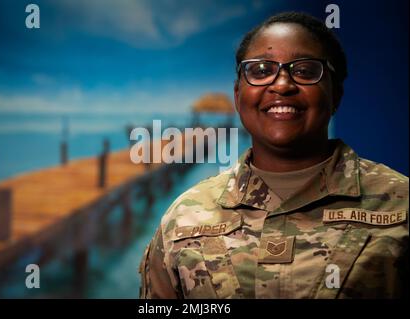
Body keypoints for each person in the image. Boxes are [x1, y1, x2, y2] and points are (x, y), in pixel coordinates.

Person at [138, 11, 408, 299]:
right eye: (261, 70)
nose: (281, 85)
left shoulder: (400, 205)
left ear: (336, 94)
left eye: (304, 71)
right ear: (238, 95)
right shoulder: (183, 218)